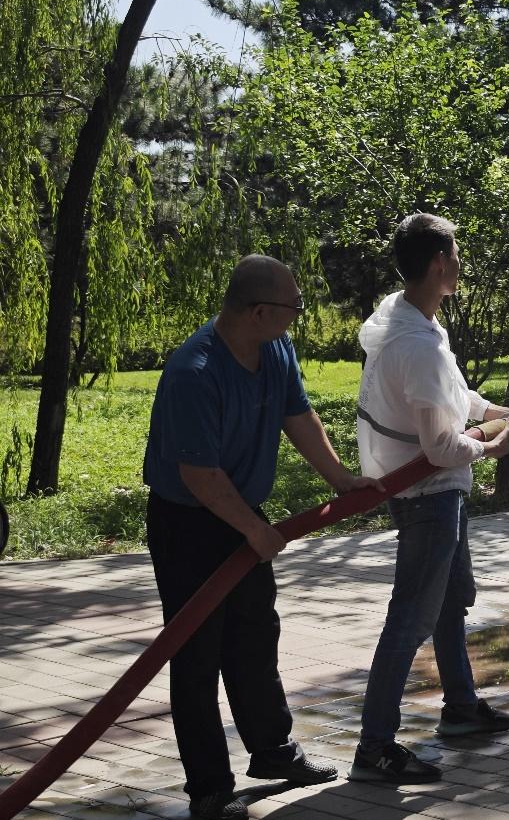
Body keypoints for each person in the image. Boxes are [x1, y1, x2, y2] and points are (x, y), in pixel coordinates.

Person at [143, 255, 383, 820]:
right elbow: (199, 474)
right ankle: (209, 788)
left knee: (254, 635)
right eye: (292, 306)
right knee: (197, 654)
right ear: (258, 311)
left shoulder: (274, 349)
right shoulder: (195, 371)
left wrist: (341, 480)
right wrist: (255, 530)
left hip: (239, 510)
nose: (298, 313)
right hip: (188, 522)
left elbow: (298, 417)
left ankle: (273, 751)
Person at [350, 213, 509, 784]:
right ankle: (374, 747)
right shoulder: (417, 344)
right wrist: (496, 446)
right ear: (439, 264)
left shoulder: (410, 319)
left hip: (435, 493)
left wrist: (504, 413)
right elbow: (440, 447)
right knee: (410, 619)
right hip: (427, 495)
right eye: (456, 254)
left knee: (451, 600)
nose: (460, 263)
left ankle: (460, 708)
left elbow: (455, 397)